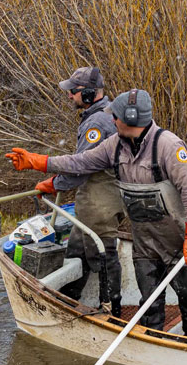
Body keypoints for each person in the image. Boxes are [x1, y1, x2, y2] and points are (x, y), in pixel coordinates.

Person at [5, 89, 187, 338]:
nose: (112, 121)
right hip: (144, 243)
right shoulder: (115, 146)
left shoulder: (168, 147)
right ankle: (155, 345)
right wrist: (40, 162)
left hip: (176, 241)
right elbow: (80, 162)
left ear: (131, 119)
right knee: (150, 304)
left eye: (117, 117)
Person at [37, 67, 123, 304]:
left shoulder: (96, 123)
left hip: (101, 200)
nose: (69, 96)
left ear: (88, 94)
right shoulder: (110, 111)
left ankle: (112, 308)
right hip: (97, 198)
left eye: (73, 91)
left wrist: (55, 183)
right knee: (76, 250)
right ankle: (67, 301)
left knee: (103, 253)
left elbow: (80, 167)